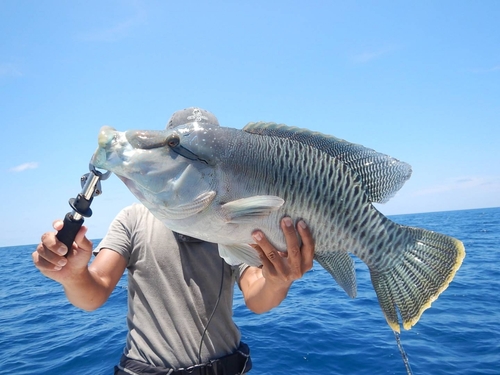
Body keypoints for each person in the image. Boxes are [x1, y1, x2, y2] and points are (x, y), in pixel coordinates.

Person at [32, 107, 315, 375]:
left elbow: (256, 296)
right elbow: (95, 292)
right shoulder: (132, 219)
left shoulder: (238, 222)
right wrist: (74, 275)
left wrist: (279, 279)